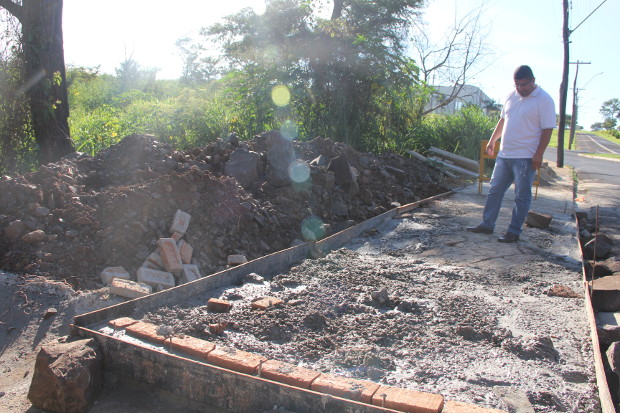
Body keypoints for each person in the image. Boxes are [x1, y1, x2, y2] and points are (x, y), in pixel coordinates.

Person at [467, 65, 556, 243]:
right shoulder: (511, 96)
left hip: (525, 157)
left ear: (532, 81)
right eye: (517, 85)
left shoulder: (544, 100)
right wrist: (493, 141)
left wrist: (538, 154)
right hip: (505, 154)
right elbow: (503, 120)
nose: (520, 89)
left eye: (524, 85)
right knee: (494, 190)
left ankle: (514, 231)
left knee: (521, 195)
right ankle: (487, 224)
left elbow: (547, 129)